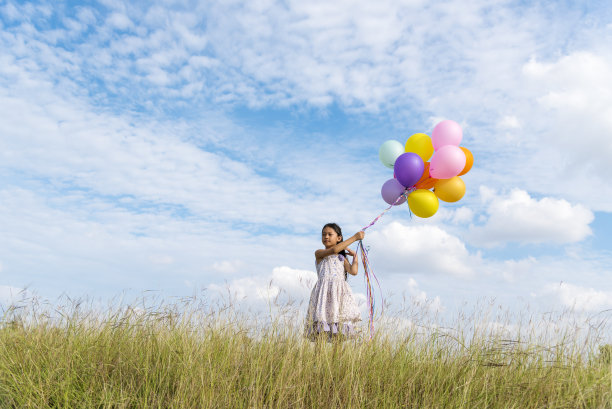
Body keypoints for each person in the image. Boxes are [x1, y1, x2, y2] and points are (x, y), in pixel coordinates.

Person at [305, 223, 363, 341]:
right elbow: (335, 249)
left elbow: (353, 271)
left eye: (329, 234)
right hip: (324, 294)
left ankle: (336, 358)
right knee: (321, 327)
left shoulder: (341, 258)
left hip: (338, 295)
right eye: (323, 234)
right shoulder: (319, 253)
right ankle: (318, 357)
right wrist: (355, 237)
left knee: (338, 327)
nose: (326, 237)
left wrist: (355, 258)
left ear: (339, 238)